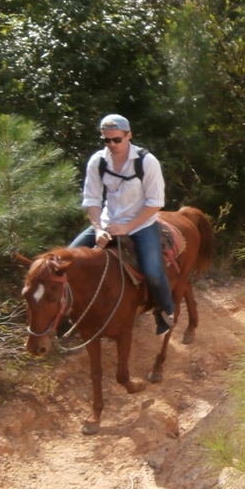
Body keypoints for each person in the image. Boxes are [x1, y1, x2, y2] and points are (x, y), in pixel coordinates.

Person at [70, 114, 175, 335]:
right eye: (106, 140)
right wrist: (98, 228)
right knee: (67, 260)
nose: (111, 145)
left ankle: (165, 311)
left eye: (116, 139)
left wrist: (128, 228)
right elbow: (92, 199)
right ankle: (70, 314)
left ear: (129, 136)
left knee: (154, 272)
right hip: (108, 221)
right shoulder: (97, 161)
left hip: (140, 224)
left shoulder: (147, 162)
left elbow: (156, 202)